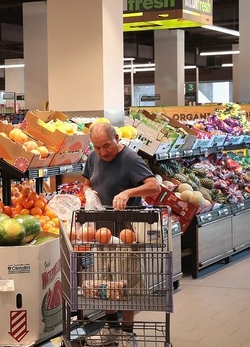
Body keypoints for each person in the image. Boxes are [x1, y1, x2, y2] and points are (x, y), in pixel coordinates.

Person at [80, 121, 160, 347]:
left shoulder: (131, 159)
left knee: (126, 283)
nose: (103, 152)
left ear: (117, 139)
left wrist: (128, 191)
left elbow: (154, 187)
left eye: (107, 145)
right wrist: (88, 193)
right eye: (97, 147)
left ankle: (127, 332)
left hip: (127, 230)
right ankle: (111, 329)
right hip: (101, 229)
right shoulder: (94, 157)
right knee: (105, 283)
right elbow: (86, 182)